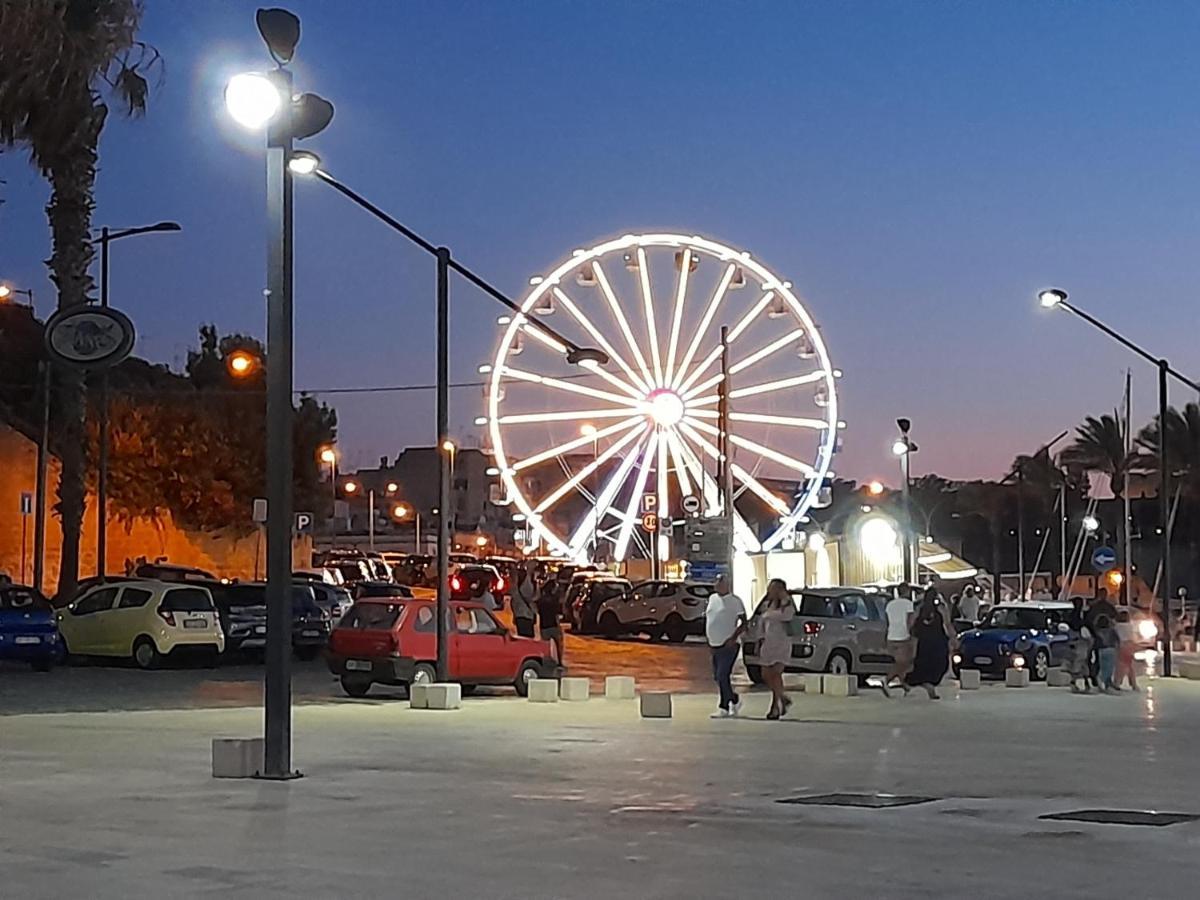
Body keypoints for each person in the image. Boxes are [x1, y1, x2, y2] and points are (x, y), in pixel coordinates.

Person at [705, 574, 746, 718]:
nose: (716, 585)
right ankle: (733, 699)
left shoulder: (735, 601)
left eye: (719, 583)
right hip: (714, 643)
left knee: (723, 675)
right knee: (717, 676)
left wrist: (733, 637)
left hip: (728, 645)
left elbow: (743, 622)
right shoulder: (712, 599)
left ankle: (723, 706)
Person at [906, 587, 954, 699]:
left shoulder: (919, 609)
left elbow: (911, 623)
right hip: (938, 642)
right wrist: (953, 637)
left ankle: (926, 686)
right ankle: (930, 686)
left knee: (924, 666)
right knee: (940, 665)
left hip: (924, 643)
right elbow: (947, 624)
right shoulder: (941, 609)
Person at [757, 578, 795, 719]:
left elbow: (787, 616)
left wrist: (783, 599)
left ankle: (775, 707)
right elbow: (762, 622)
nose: (769, 591)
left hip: (781, 642)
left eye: (772, 588)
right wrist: (758, 639)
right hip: (768, 643)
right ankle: (782, 698)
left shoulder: (787, 603)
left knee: (776, 674)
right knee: (766, 674)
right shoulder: (767, 604)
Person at [882, 584, 916, 696]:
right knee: (905, 662)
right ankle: (887, 680)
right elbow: (909, 621)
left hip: (891, 636)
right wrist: (911, 634)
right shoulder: (908, 604)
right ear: (907, 592)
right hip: (903, 636)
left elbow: (887, 622)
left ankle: (904, 685)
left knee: (900, 662)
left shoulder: (890, 605)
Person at [1064, 597, 1093, 693]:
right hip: (1080, 642)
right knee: (1080, 663)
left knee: (1080, 663)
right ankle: (1079, 683)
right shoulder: (1077, 618)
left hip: (1079, 642)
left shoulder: (1072, 616)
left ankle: (1080, 683)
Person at [538, 573, 565, 664]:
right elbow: (557, 614)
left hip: (543, 626)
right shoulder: (554, 600)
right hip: (553, 625)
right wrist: (559, 626)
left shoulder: (541, 600)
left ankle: (545, 661)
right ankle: (559, 661)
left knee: (545, 645)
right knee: (559, 644)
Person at [1092, 610, 1120, 694]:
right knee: (1109, 668)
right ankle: (1105, 682)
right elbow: (1117, 640)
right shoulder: (1111, 630)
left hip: (1101, 650)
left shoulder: (1096, 631)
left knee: (1103, 667)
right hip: (1111, 649)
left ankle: (1104, 682)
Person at [1113, 607, 1139, 691]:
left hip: (1121, 646)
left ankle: (1117, 682)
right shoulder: (1130, 626)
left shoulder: (1117, 626)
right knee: (1130, 666)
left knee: (1120, 666)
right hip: (1130, 646)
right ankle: (1133, 683)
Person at [511, 561, 538, 638]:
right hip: (526, 615)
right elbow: (530, 597)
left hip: (520, 614)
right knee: (527, 638)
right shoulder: (526, 585)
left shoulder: (516, 586)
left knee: (523, 637)